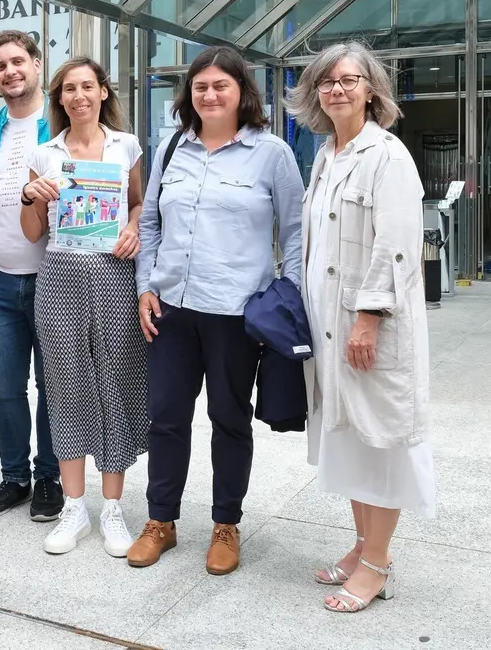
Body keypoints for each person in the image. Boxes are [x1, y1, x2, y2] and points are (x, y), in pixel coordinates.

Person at [127, 47, 303, 575]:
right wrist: (145, 287)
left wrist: (288, 295)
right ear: (190, 95)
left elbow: (295, 232)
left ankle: (226, 523)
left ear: (241, 93)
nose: (209, 95)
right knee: (166, 420)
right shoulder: (172, 149)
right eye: (200, 86)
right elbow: (152, 223)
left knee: (229, 419)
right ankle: (162, 521)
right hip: (172, 310)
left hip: (235, 311)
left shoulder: (272, 153)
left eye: (220, 86)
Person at [286, 41, 433, 612]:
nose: (337, 89)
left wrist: (368, 319)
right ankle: (362, 545)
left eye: (349, 80)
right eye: (327, 81)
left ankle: (377, 564)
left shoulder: (387, 155)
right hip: (327, 328)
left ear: (371, 90)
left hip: (366, 328)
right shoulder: (327, 154)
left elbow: (397, 248)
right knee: (347, 441)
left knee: (380, 443)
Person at [20, 56, 148, 558]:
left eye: (87, 87)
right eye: (69, 89)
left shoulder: (127, 146)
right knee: (67, 383)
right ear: (60, 99)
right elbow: (33, 233)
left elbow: (138, 203)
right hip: (60, 272)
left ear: (102, 93)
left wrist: (134, 227)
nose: (78, 96)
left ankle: (112, 506)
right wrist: (31, 197)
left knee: (116, 379)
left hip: (113, 271)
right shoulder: (44, 153)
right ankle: (75, 506)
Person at [0, 30, 63, 522]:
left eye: (17, 61)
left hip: (54, 279)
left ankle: (49, 476)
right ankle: (14, 478)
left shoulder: (61, 124)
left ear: (36, 63)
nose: (9, 71)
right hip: (1, 282)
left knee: (53, 386)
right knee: (4, 386)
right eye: (0, 65)